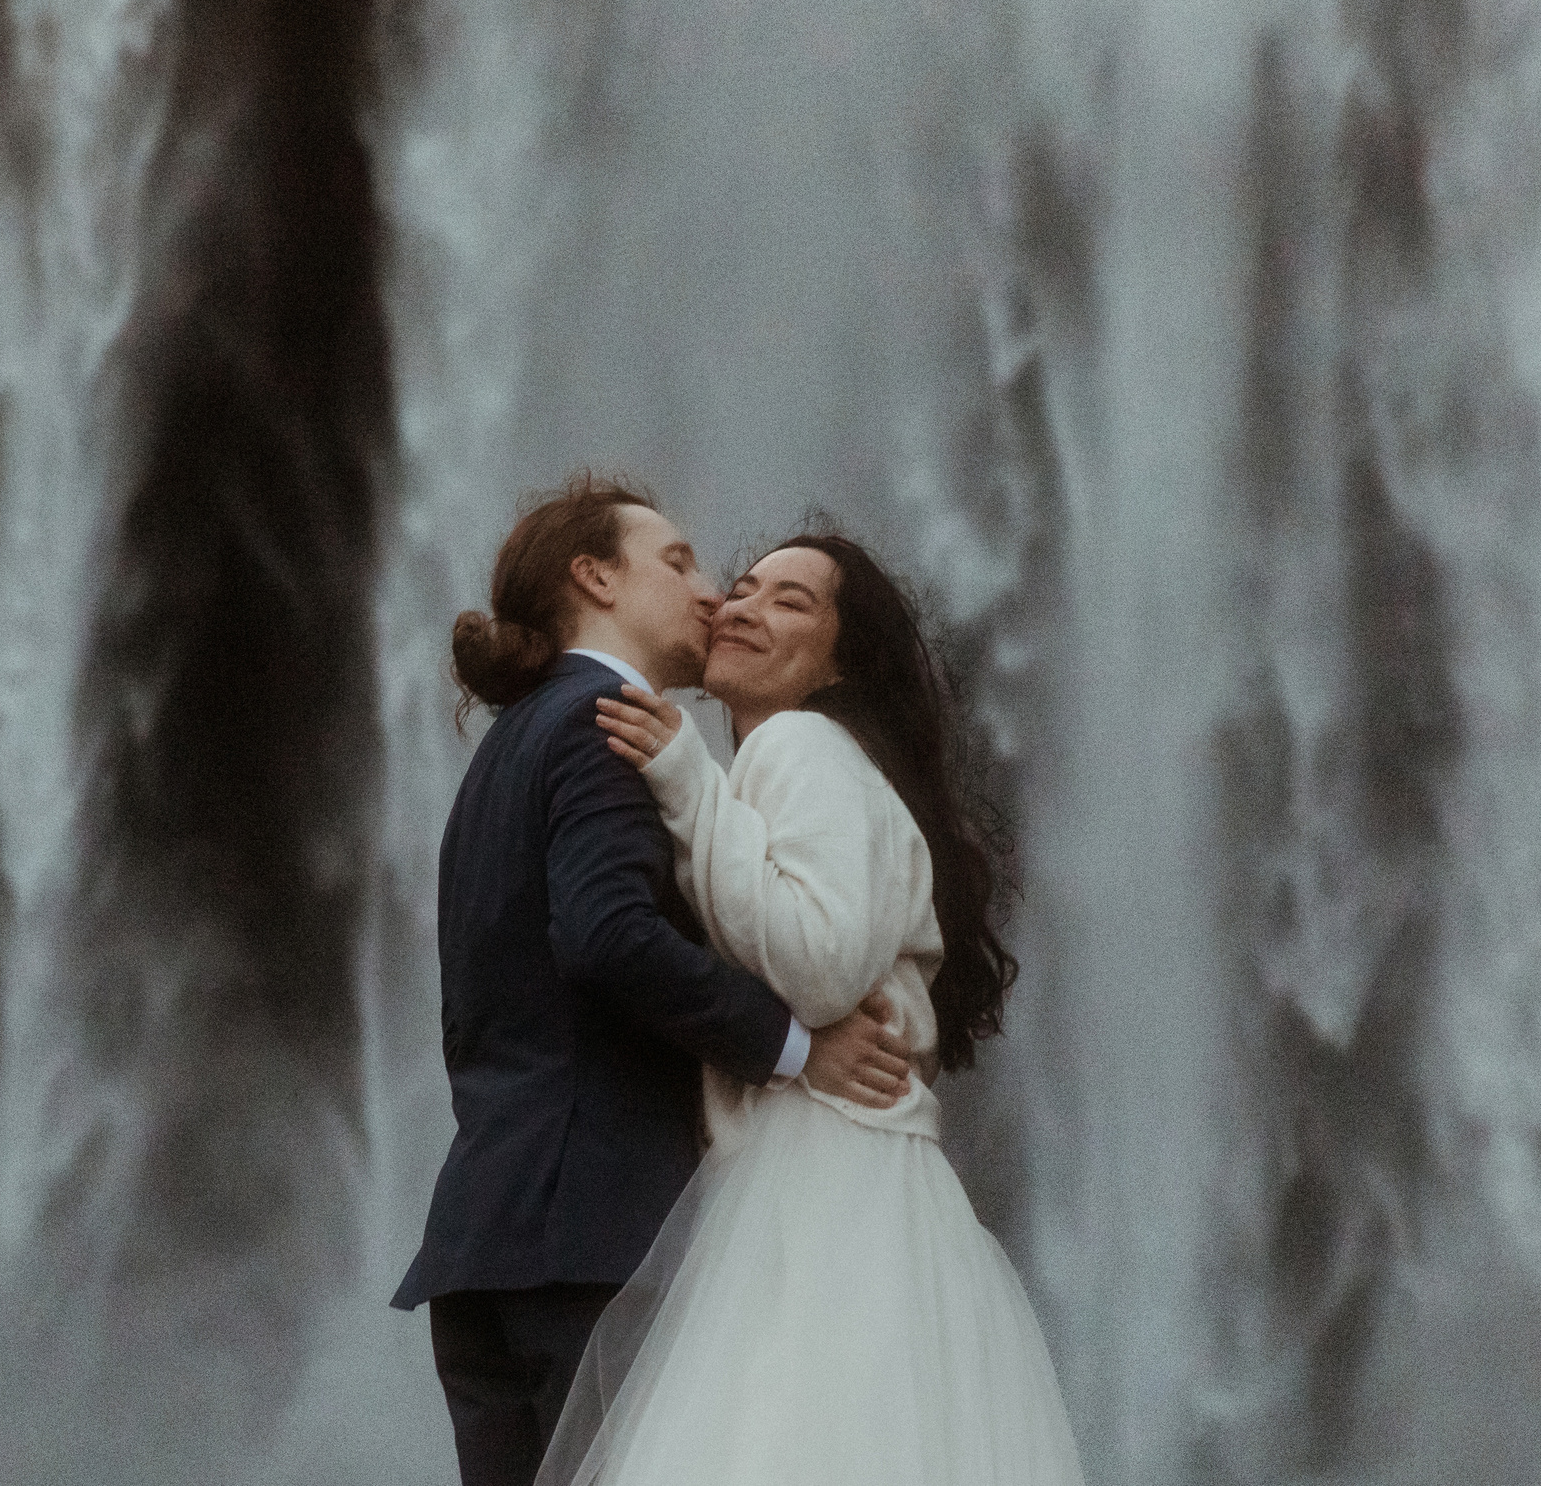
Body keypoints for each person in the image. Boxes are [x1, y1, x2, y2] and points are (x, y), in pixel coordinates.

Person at [392, 477, 919, 1486]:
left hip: (483, 1242)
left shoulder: (506, 750)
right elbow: (607, 938)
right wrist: (797, 1048)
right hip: (593, 1240)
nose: (712, 591)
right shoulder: (604, 725)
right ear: (595, 579)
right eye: (677, 562)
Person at [538, 528, 1085, 1486]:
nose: (742, 607)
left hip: (821, 1183)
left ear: (841, 663)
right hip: (866, 1185)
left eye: (791, 601)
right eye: (744, 588)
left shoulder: (800, 743)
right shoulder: (823, 764)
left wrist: (689, 782)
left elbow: (822, 962)